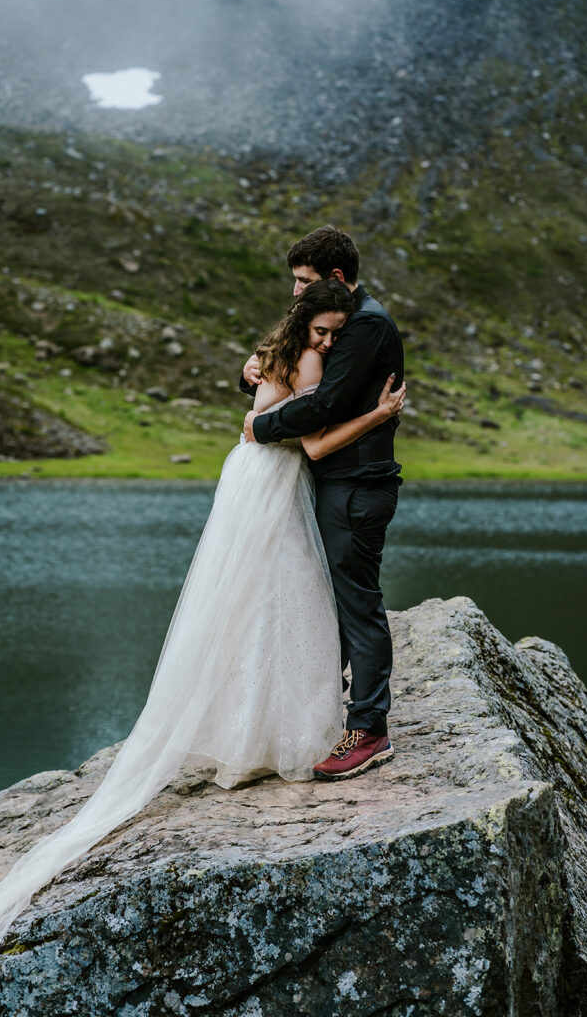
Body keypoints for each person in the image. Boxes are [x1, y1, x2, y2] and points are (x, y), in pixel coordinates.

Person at [0, 279, 405, 963]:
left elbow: (263, 410)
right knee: (277, 605)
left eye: (332, 331)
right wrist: (379, 416)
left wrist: (257, 395)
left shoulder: (273, 353)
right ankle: (274, 729)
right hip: (271, 483)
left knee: (258, 604)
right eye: (320, 330)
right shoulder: (310, 360)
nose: (327, 341)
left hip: (251, 479)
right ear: (306, 325)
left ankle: (252, 728)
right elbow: (313, 444)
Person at [242, 226, 404, 781]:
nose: (294, 293)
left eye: (303, 281)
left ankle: (370, 729)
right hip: (336, 480)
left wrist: (259, 427)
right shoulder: (337, 321)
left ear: (335, 278)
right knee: (327, 600)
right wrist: (252, 380)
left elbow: (324, 404)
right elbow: (303, 383)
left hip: (357, 483)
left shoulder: (366, 324)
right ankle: (320, 717)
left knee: (357, 602)